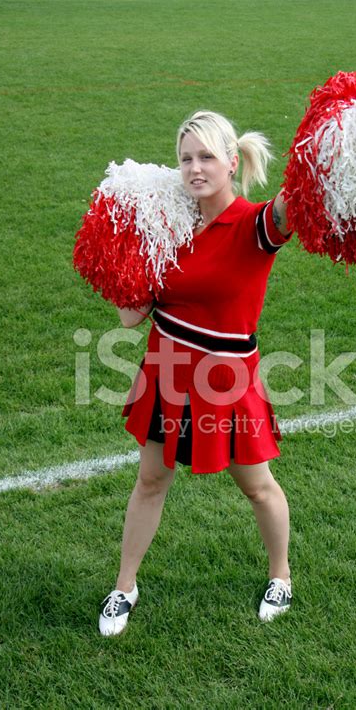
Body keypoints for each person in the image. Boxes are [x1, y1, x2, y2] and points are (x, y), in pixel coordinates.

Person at [98, 110, 293, 636]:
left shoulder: (255, 224)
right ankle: (125, 587)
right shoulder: (170, 220)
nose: (194, 168)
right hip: (166, 370)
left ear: (233, 162)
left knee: (257, 487)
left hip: (226, 380)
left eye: (207, 156)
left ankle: (282, 575)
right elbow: (130, 315)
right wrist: (118, 261)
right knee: (150, 479)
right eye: (186, 158)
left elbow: (297, 205)